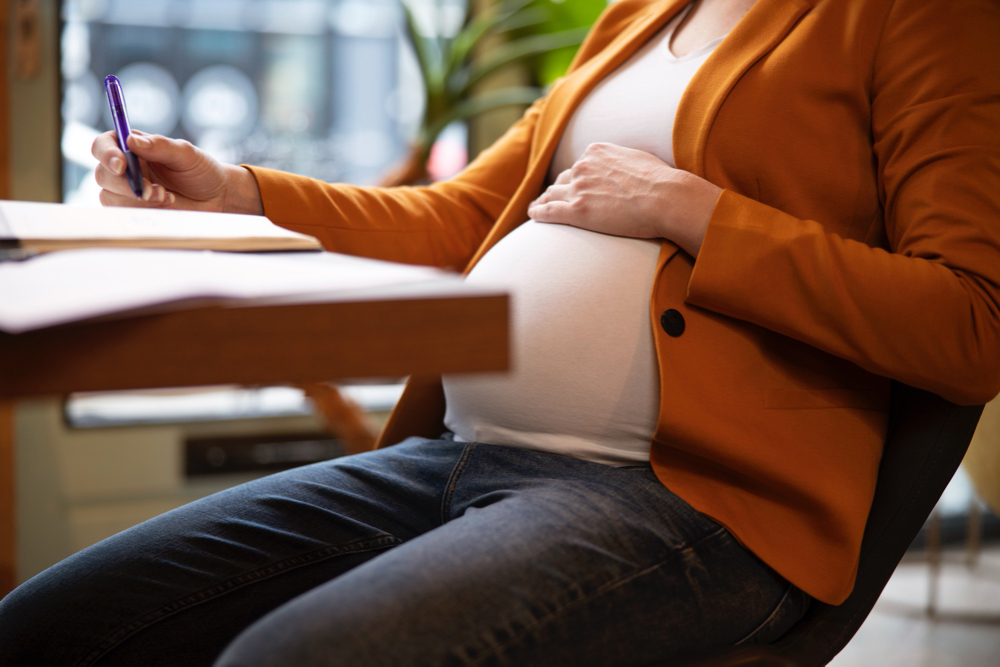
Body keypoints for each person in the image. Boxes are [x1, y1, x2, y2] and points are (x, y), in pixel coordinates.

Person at [2, 0, 999, 664]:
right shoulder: (643, 14)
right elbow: (460, 217)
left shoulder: (911, 15)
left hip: (687, 504)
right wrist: (237, 193)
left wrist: (695, 212)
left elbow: (971, 321)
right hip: (459, 458)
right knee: (50, 628)